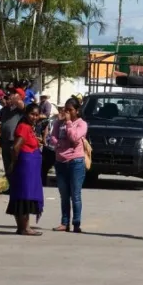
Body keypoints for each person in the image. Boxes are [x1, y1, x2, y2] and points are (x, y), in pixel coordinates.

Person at [49, 97, 88, 233]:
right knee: (64, 194)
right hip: (60, 161)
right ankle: (64, 222)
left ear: (77, 111)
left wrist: (69, 122)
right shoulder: (59, 123)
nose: (67, 112)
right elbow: (52, 137)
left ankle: (76, 223)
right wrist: (57, 143)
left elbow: (74, 138)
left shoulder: (81, 124)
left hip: (75, 161)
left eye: (70, 110)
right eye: (66, 110)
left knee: (75, 194)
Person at [6, 103, 45, 235]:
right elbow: (16, 147)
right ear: (26, 114)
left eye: (36, 114)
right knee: (24, 196)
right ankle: (24, 228)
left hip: (29, 166)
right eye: (32, 114)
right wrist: (13, 162)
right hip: (25, 167)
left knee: (23, 195)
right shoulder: (23, 127)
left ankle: (23, 227)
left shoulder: (29, 127)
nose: (34, 117)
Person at [0, 90, 25, 174]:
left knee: (16, 166)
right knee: (7, 166)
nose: (8, 99)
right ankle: (11, 185)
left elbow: (21, 104)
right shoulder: (4, 109)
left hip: (15, 142)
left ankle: (17, 186)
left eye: (9, 97)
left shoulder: (19, 109)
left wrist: (15, 98)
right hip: (4, 141)